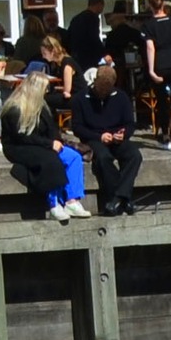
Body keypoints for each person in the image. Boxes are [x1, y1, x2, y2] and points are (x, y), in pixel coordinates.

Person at [71, 32, 144, 217]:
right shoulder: (81, 98)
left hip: (116, 137)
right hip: (94, 137)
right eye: (100, 90)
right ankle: (121, 198)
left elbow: (130, 123)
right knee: (103, 158)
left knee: (134, 155)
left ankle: (118, 198)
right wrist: (98, 137)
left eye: (106, 91)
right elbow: (77, 127)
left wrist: (123, 134)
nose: (103, 94)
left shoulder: (120, 97)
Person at [0, 66, 66, 219]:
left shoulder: (42, 106)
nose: (47, 92)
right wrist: (49, 144)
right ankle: (53, 201)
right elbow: (22, 136)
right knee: (50, 159)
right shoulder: (14, 109)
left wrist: (56, 140)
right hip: (17, 146)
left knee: (73, 157)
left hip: (37, 142)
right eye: (45, 88)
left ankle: (72, 199)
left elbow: (52, 129)